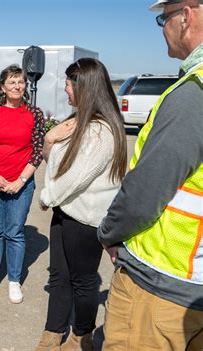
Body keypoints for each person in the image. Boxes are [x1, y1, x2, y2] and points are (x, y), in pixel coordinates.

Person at [97, 0, 203, 349]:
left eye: (164, 18)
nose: (162, 28)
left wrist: (109, 233)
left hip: (163, 285)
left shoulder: (193, 94)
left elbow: (144, 194)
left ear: (186, 16)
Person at [35, 58, 127, 350]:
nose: (65, 90)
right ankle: (52, 333)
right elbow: (57, 168)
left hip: (85, 220)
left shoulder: (102, 131)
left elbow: (75, 177)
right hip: (65, 212)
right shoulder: (76, 122)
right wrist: (49, 141)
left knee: (84, 281)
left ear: (84, 87)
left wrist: (47, 197)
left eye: (68, 84)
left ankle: (81, 336)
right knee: (58, 276)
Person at [0, 64, 45, 304]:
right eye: (12, 82)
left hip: (21, 183)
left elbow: (38, 152)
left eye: (21, 82)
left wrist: (21, 181)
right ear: (3, 87)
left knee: (15, 232)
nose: (17, 86)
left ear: (25, 86)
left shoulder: (35, 113)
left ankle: (14, 280)